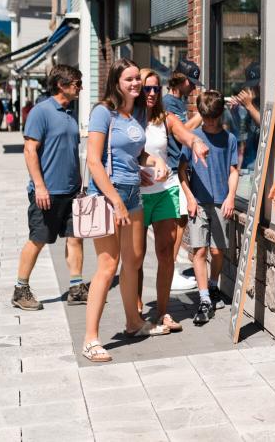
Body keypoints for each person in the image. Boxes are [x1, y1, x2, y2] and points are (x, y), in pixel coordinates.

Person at [82, 58, 209, 363]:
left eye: (137, 79)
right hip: (107, 195)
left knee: (134, 260)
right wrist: (115, 200)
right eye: (130, 80)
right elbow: (94, 161)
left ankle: (133, 322)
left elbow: (137, 153)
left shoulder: (135, 113)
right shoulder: (103, 112)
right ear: (116, 82)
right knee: (107, 265)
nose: (136, 84)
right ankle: (90, 339)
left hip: (132, 193)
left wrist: (155, 162)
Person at [12, 65, 89, 312]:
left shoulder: (69, 112)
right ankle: (20, 289)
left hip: (71, 190)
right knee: (38, 239)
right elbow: (29, 150)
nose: (80, 88)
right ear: (61, 84)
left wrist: (79, 183)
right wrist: (40, 186)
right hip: (47, 192)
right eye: (76, 83)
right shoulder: (41, 112)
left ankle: (76, 288)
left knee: (75, 238)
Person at [136, 68, 208, 331]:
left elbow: (183, 132)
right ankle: (137, 312)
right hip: (136, 196)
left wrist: (195, 143)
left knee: (166, 253)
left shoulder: (164, 117)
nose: (153, 93)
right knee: (136, 256)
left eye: (156, 88)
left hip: (165, 192)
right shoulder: (126, 119)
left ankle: (163, 312)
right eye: (147, 88)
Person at [179, 90, 239, 326]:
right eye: (207, 117)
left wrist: (231, 197)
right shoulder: (193, 137)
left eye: (214, 117)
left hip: (221, 201)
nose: (211, 122)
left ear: (220, 114)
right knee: (199, 251)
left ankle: (213, 286)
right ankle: (204, 298)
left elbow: (234, 171)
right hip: (199, 202)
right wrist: (190, 197)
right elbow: (181, 170)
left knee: (217, 251)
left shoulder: (229, 139)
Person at [164, 64, 203, 290]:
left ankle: (171, 268)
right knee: (178, 220)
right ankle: (170, 271)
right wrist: (200, 115)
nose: (193, 88)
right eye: (192, 83)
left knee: (181, 220)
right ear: (182, 80)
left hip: (177, 166)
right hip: (172, 168)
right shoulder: (169, 103)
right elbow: (182, 132)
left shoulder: (177, 102)